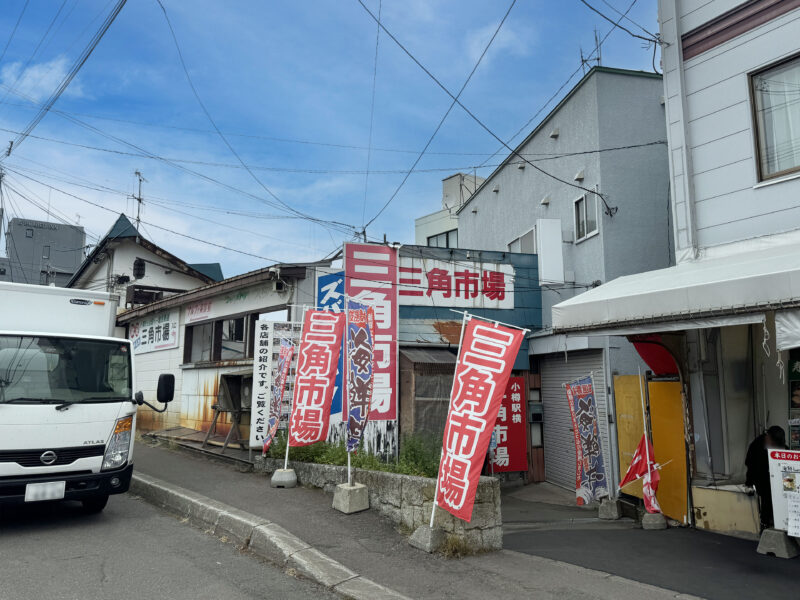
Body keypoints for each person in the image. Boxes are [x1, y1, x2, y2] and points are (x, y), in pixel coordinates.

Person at [745, 425, 788, 529]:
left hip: (779, 481)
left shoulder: (782, 446)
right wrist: (749, 484)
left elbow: (787, 464)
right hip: (763, 478)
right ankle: (765, 524)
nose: (775, 446)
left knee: (783, 499)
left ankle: (782, 523)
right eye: (773, 444)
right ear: (767, 437)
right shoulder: (756, 446)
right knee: (766, 498)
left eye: (776, 445)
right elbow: (750, 465)